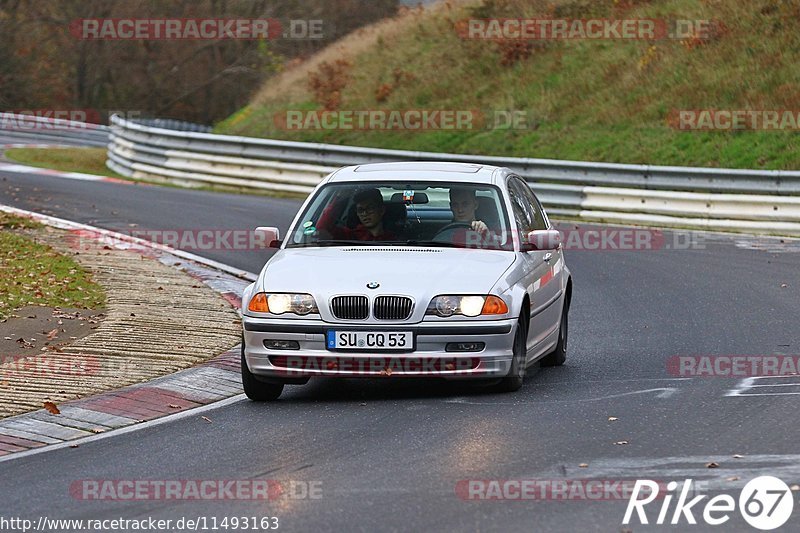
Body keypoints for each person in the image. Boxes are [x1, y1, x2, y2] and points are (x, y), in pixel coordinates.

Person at [316, 188, 396, 241]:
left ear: (381, 210)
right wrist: (339, 198)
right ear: (357, 213)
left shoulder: (396, 239)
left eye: (370, 208)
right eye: (360, 210)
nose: (365, 214)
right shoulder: (350, 236)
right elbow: (321, 227)